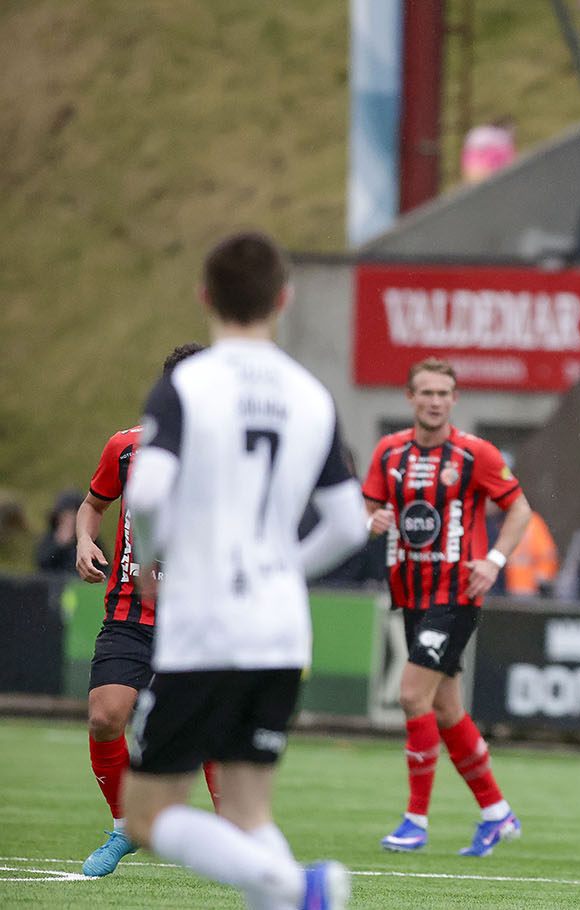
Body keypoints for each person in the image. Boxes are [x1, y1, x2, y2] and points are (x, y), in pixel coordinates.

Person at [121, 231, 367, 908]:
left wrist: (149, 558)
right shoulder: (311, 395)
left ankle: (295, 882)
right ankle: (296, 891)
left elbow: (146, 491)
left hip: (206, 624)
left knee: (146, 815)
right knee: (248, 812)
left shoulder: (186, 386)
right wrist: (285, 568)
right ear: (283, 300)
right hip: (281, 629)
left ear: (205, 296)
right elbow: (349, 524)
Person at [363, 357, 533, 856]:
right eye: (427, 393)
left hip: (456, 593)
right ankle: (497, 813)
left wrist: (494, 561)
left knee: (411, 695)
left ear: (455, 400)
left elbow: (520, 509)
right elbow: (368, 506)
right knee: (445, 708)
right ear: (410, 398)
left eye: (443, 394)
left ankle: (415, 821)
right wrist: (371, 520)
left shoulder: (475, 452)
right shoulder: (389, 451)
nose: (435, 401)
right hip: (411, 592)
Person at [74, 343, 213, 877]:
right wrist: (84, 540)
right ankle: (126, 825)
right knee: (105, 716)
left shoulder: (230, 455)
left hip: (200, 619)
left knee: (211, 730)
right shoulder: (126, 448)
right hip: (131, 614)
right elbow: (93, 504)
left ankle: (239, 837)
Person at [34, 489, 83, 574]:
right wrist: (60, 544)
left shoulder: (87, 539)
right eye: (66, 515)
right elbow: (42, 563)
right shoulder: (50, 538)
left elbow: (103, 567)